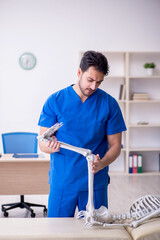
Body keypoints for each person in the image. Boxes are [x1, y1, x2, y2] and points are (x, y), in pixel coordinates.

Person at [38, 50, 126, 218]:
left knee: (96, 233)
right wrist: (51, 147)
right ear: (79, 72)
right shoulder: (55, 101)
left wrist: (103, 163)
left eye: (99, 82)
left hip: (95, 181)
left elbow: (115, 145)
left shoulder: (109, 104)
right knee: (57, 232)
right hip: (63, 181)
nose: (93, 87)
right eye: (90, 80)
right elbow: (41, 143)